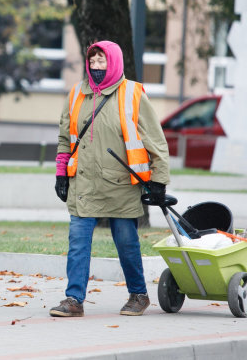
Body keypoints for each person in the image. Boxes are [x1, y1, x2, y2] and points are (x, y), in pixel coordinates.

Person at [48, 40, 170, 318]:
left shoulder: (133, 93)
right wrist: (60, 173)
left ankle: (138, 294)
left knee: (127, 243)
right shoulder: (77, 93)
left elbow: (156, 141)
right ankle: (73, 299)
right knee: (78, 241)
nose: (96, 66)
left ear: (114, 62)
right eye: (93, 61)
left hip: (121, 185)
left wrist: (159, 180)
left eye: (102, 61)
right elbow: (65, 139)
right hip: (84, 184)